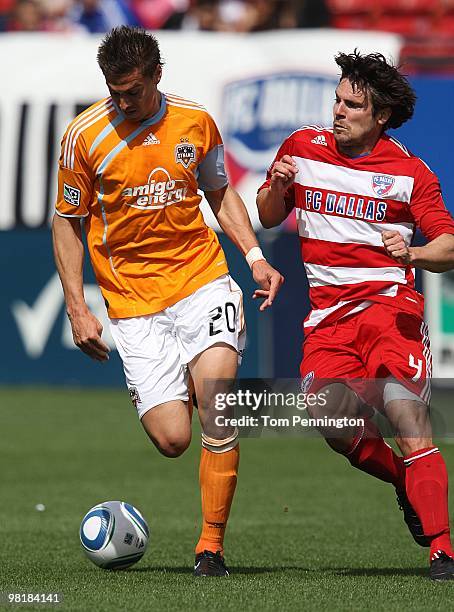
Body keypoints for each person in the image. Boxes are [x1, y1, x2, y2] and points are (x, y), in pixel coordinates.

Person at [52, 25, 283, 577]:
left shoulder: (194, 122)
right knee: (174, 439)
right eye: (114, 90)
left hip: (201, 279)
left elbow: (221, 194)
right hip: (132, 301)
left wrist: (254, 257)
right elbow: (67, 223)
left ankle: (210, 548)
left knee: (219, 405)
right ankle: (185, 381)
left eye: (132, 90)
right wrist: (77, 306)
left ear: (157, 75)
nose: (122, 101)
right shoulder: (84, 136)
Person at [256, 50, 454, 581]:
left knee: (410, 421)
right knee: (333, 424)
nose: (338, 112)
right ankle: (405, 485)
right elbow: (269, 214)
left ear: (381, 115)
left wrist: (411, 254)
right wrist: (276, 184)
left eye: (352, 105)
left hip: (391, 311)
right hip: (328, 322)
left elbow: (449, 246)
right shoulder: (303, 147)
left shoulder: (410, 174)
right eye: (337, 100)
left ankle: (443, 551)